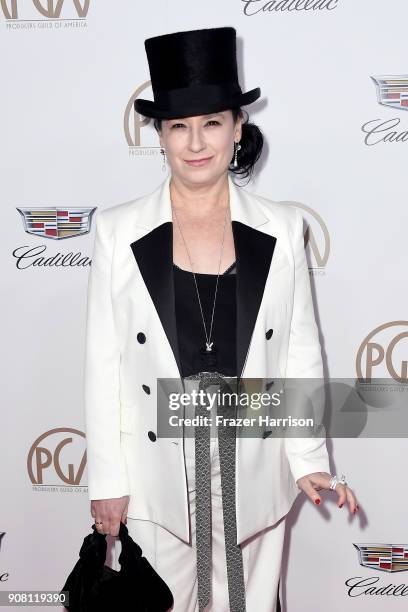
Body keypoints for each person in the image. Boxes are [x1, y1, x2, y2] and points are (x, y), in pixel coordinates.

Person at [84, 27, 359, 612]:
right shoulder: (116, 230)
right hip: (157, 474)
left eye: (211, 122)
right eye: (178, 126)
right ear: (158, 136)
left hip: (254, 467)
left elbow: (299, 354)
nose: (195, 142)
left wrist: (307, 459)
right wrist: (107, 481)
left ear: (238, 128)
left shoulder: (285, 228)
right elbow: (103, 364)